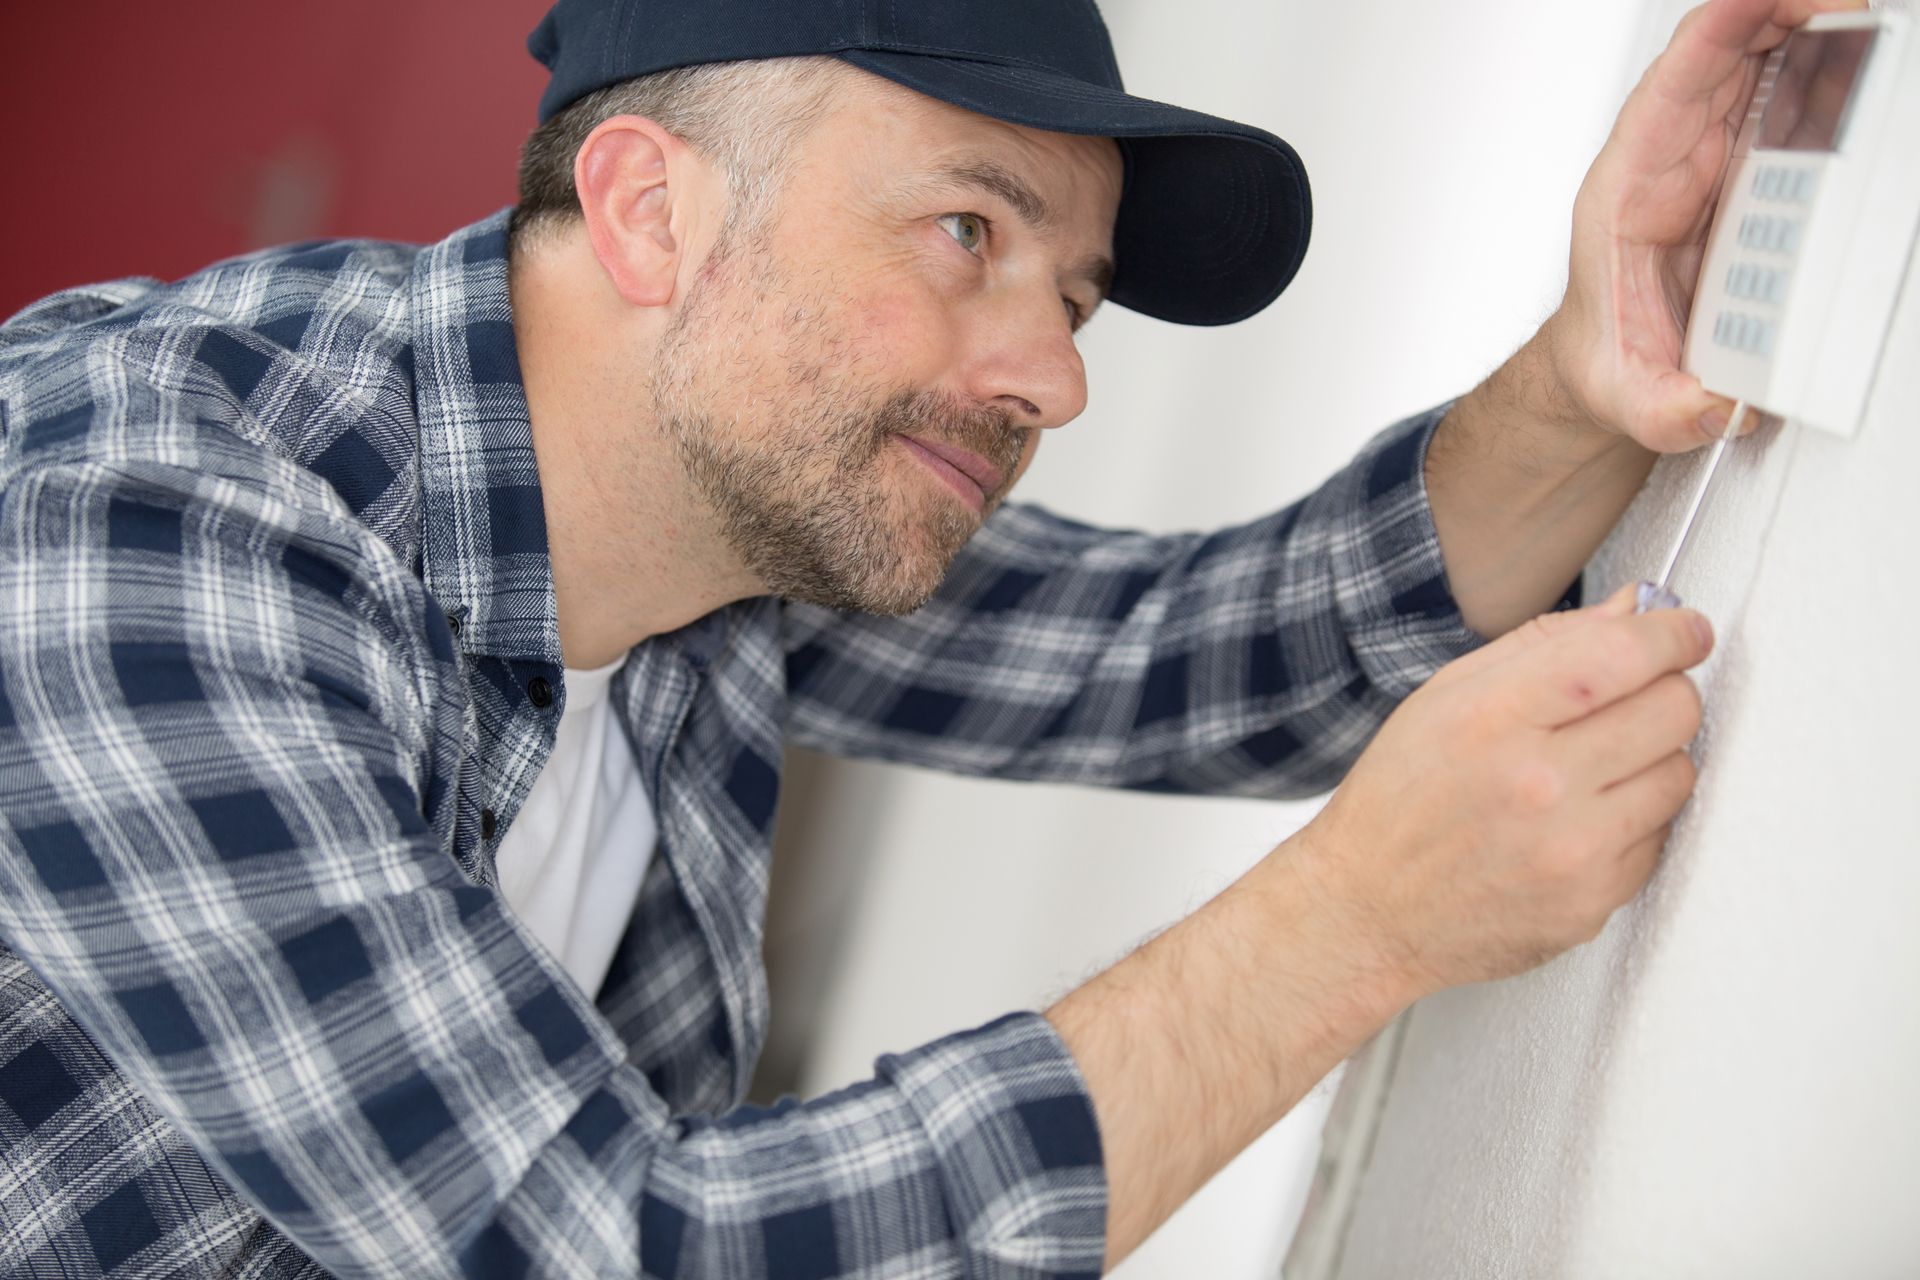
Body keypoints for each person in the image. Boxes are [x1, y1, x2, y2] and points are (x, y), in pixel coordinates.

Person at [0, 0, 1846, 1274]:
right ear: (652, 209)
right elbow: (602, 1249)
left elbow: (1194, 655)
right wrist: (1345, 928)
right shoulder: (128, 520)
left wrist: (1593, 373)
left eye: (1073, 294)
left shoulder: (718, 512)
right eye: (968, 230)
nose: (1050, 374)